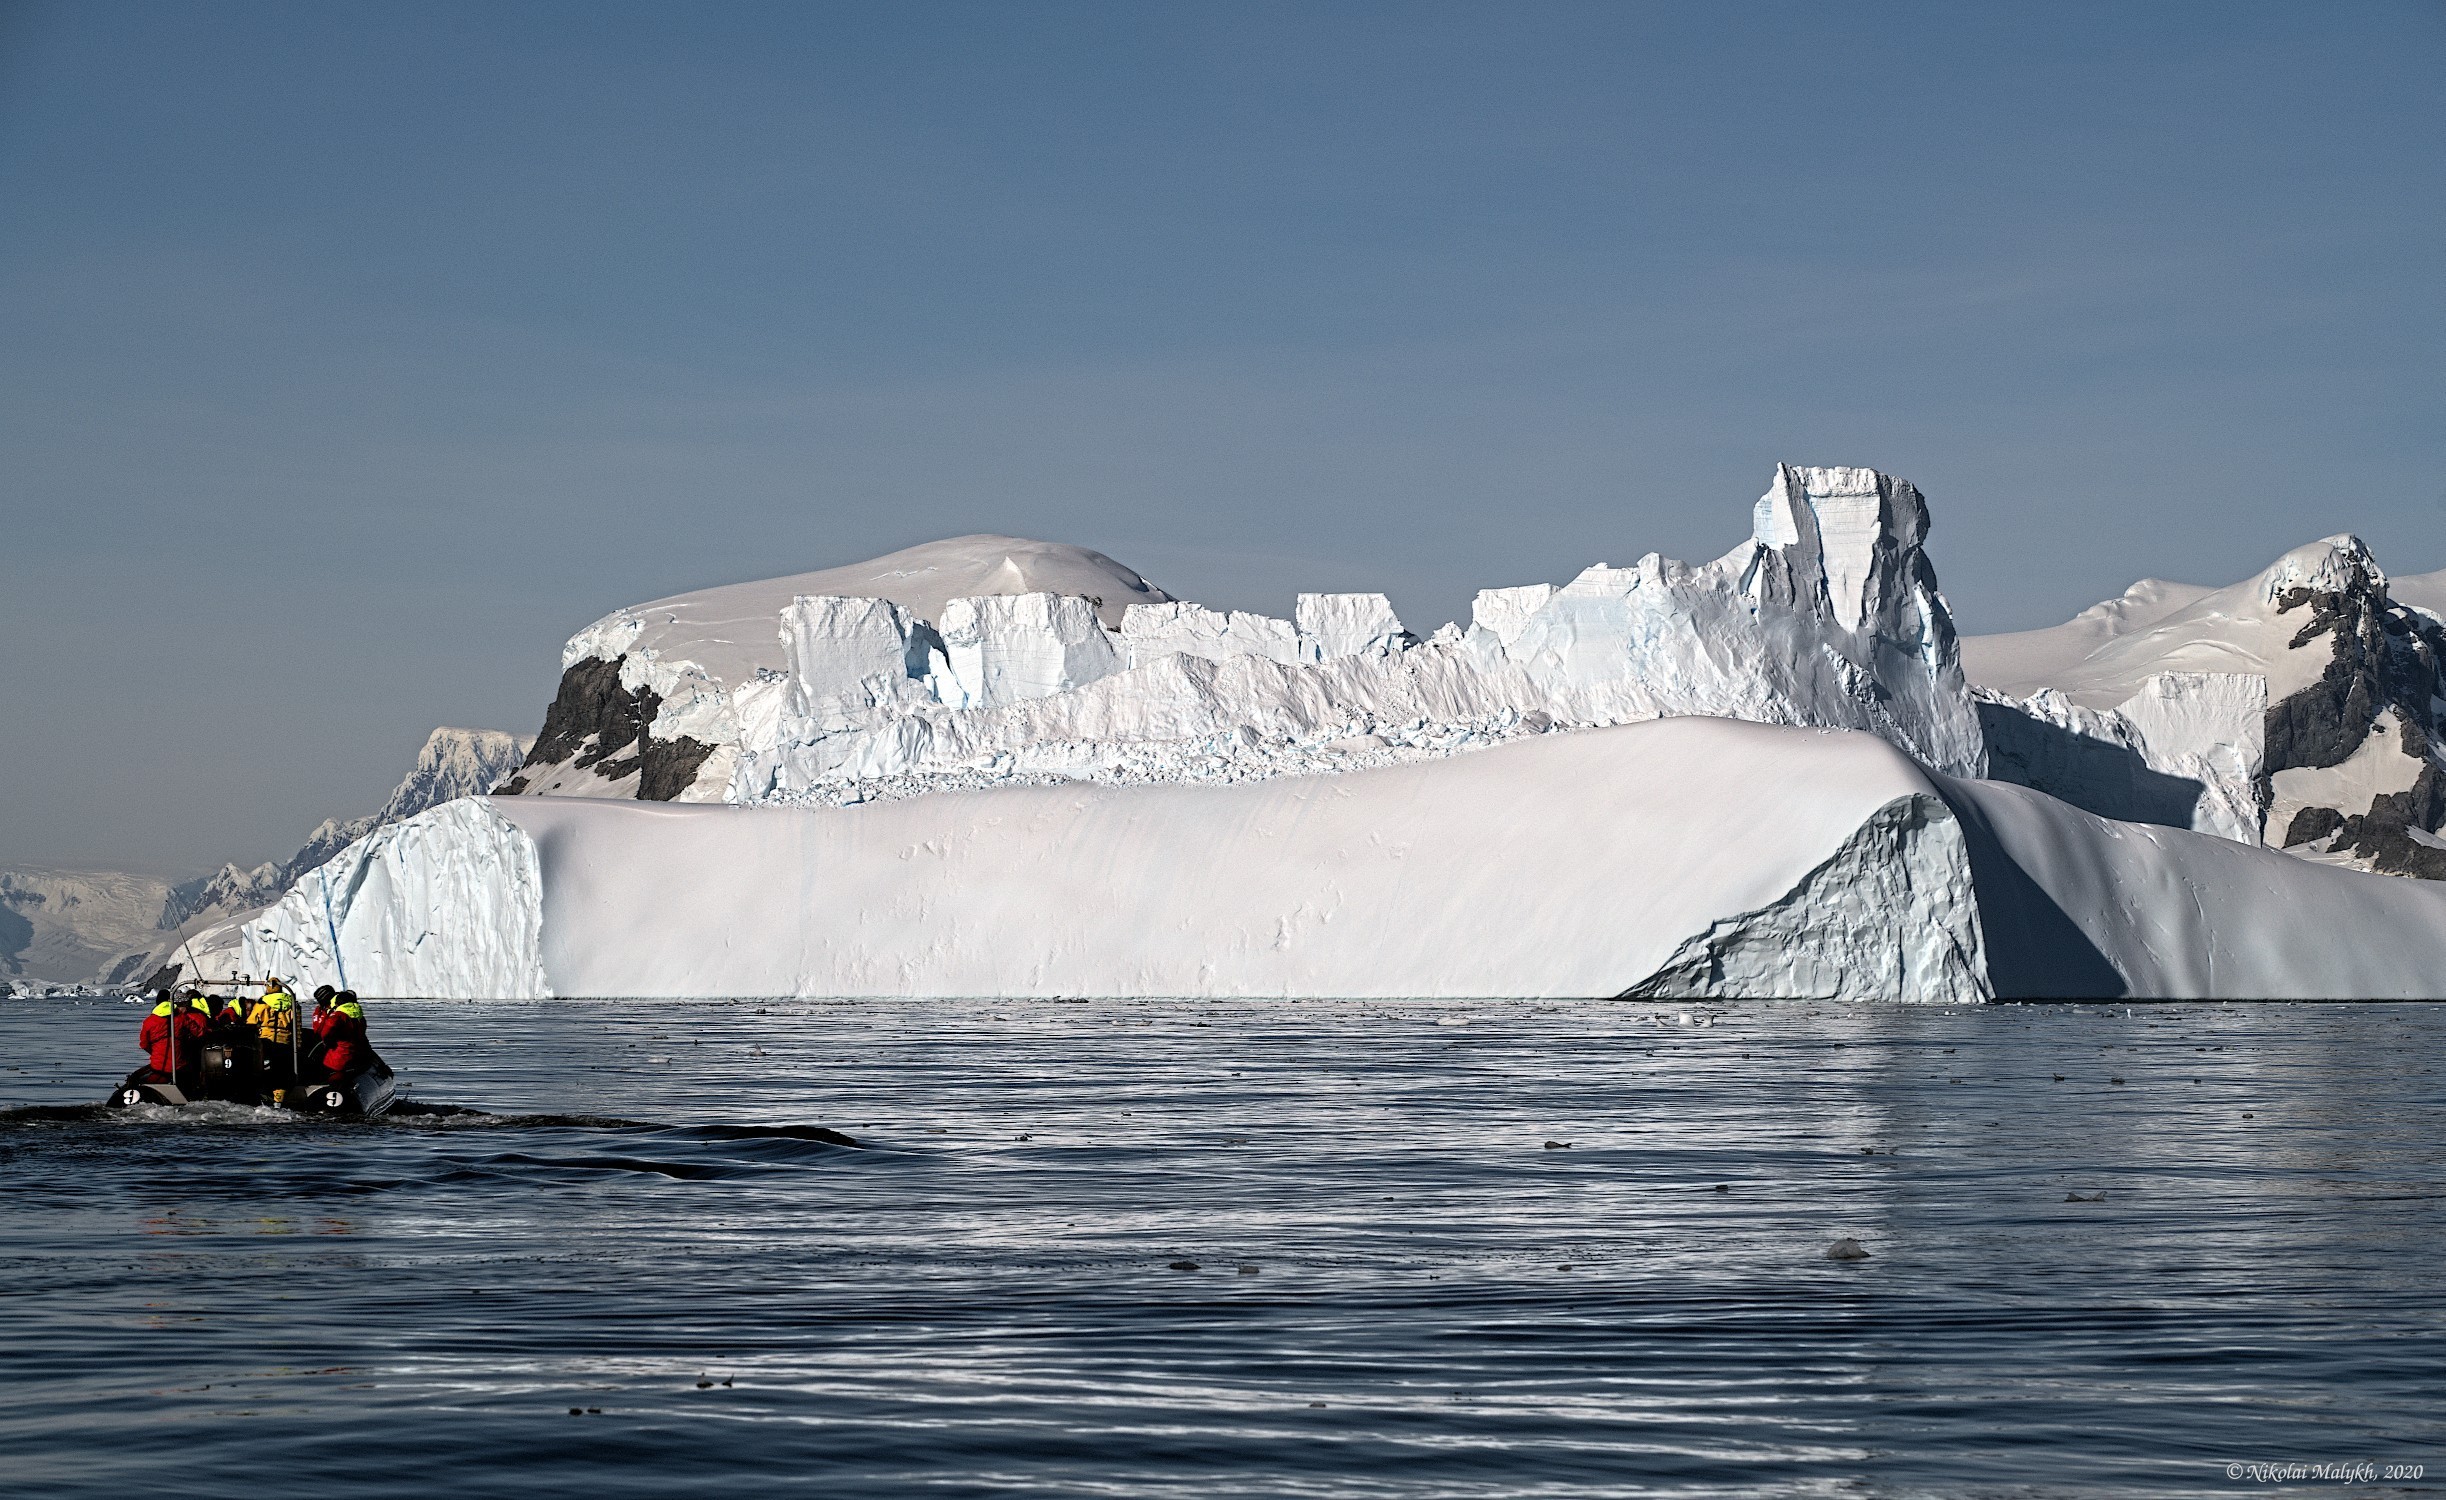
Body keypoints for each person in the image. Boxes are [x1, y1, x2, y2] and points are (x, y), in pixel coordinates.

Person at [136, 988, 207, 1083]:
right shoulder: (182, 1018)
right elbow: (199, 1033)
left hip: (157, 1065)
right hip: (179, 1065)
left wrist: (157, 1053)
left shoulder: (148, 1021)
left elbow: (144, 1044)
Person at [248, 978, 302, 1098]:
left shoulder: (263, 1002)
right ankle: (279, 1096)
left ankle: (264, 1092)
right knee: (282, 1070)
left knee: (266, 1068)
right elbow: (296, 1024)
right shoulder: (291, 1001)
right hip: (285, 1040)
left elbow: (252, 1021)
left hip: (266, 1040)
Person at [312, 990, 371, 1084]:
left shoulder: (338, 1016)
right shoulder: (359, 1016)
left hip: (337, 1059)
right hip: (354, 1056)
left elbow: (325, 1033)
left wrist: (328, 1042)